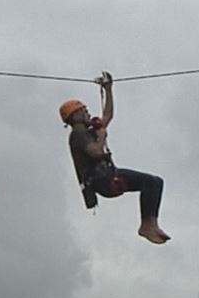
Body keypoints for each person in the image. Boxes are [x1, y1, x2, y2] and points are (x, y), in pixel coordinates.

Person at [59, 72, 170, 244]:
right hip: (103, 180)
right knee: (150, 182)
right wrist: (102, 136)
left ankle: (150, 223)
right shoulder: (78, 134)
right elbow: (95, 151)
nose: (89, 114)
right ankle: (147, 225)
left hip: (109, 176)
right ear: (75, 116)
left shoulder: (87, 132)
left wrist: (109, 89)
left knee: (155, 182)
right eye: (84, 111)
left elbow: (107, 116)